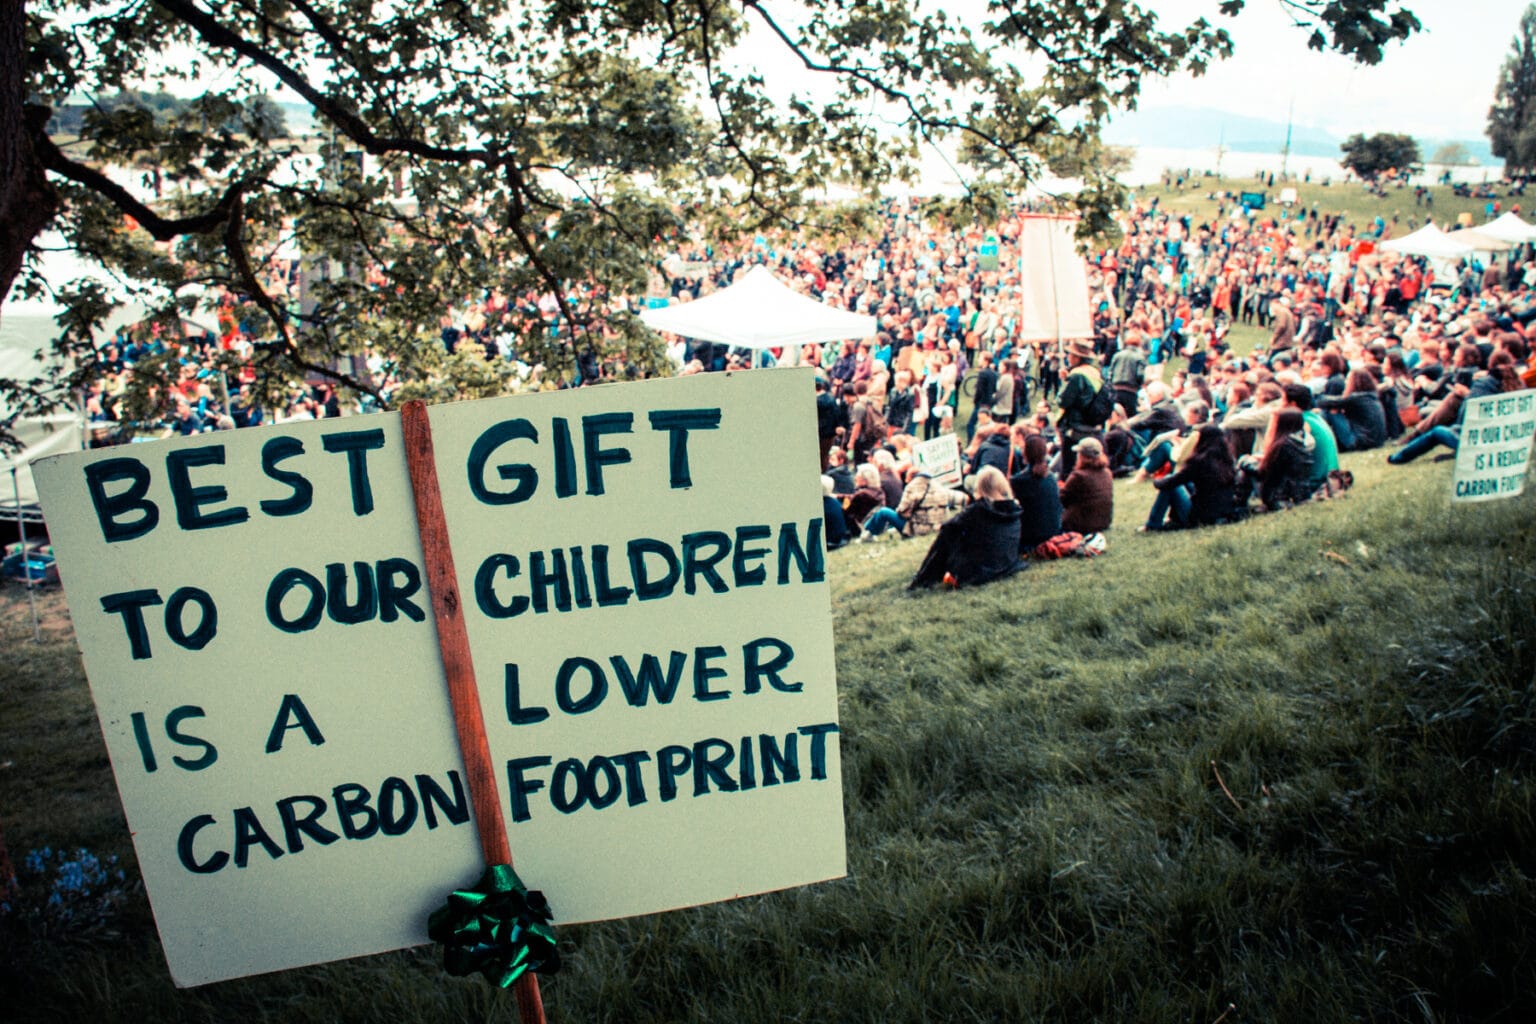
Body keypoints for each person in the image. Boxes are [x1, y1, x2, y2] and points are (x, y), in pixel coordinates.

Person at [908, 466, 1024, 589]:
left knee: (949, 535)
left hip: (979, 571)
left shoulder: (978, 510)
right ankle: (926, 575)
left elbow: (948, 528)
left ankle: (924, 577)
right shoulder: (1013, 508)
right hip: (1008, 563)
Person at [1150, 424, 1239, 528]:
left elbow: (1171, 482)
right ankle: (1173, 519)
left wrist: (1156, 481)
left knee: (1169, 483)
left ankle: (1152, 524)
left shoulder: (1199, 461)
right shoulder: (1228, 460)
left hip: (1201, 518)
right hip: (1224, 513)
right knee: (1186, 483)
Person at [1240, 410, 1315, 510]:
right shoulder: (1303, 441)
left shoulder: (1282, 445)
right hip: (1301, 495)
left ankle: (1238, 504)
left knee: (1244, 467)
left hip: (1279, 499)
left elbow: (1262, 472)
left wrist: (1245, 461)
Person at [1055, 339, 1108, 479]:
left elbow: (1063, 401)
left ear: (1077, 357)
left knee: (1069, 465)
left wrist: (1065, 383)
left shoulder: (1077, 375)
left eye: (1070, 355)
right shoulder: (1095, 373)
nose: (1067, 357)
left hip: (1075, 425)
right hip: (1091, 422)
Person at [862, 471, 965, 540]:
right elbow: (962, 499)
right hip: (937, 527)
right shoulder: (938, 487)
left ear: (910, 477)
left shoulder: (912, 488)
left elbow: (902, 512)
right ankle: (869, 531)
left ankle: (867, 533)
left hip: (918, 528)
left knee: (883, 512)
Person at [1009, 433, 1063, 551]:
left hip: (1033, 536)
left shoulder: (1020, 480)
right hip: (1054, 530)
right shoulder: (1050, 476)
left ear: (1026, 452)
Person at [1316, 367, 1387, 451]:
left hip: (1359, 442)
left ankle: (1321, 443)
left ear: (1355, 382)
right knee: (1333, 409)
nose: (1345, 382)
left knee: (1328, 410)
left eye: (1348, 379)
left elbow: (1324, 402)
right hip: (1375, 441)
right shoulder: (1370, 396)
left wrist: (1317, 395)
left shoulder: (1357, 398)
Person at [1060, 436, 1114, 534]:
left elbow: (1062, 500)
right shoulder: (1107, 472)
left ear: (1082, 456)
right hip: (1104, 521)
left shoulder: (1078, 476)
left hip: (1081, 524)